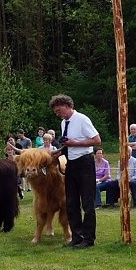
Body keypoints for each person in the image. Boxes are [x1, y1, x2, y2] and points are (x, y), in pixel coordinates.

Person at [50, 94, 100, 248]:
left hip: (84, 163)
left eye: (58, 111)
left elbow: (97, 140)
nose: (57, 114)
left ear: (66, 106)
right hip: (71, 164)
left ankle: (88, 238)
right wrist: (59, 152)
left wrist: (75, 144)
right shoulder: (63, 123)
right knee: (71, 203)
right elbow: (68, 144)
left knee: (87, 203)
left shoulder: (82, 119)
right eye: (55, 112)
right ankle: (76, 237)